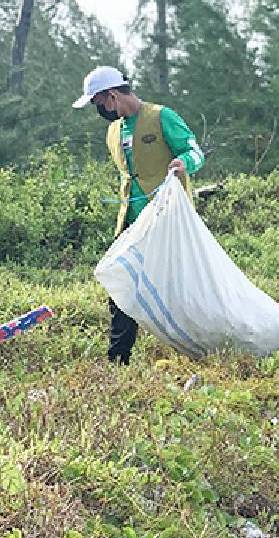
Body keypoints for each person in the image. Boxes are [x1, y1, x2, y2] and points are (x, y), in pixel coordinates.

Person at [72, 65, 205, 365]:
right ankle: (118, 359)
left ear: (113, 95)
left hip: (167, 220)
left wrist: (184, 163)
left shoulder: (161, 117)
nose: (100, 110)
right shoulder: (114, 131)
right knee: (120, 284)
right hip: (131, 221)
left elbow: (196, 152)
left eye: (99, 103)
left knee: (179, 287)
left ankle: (202, 348)